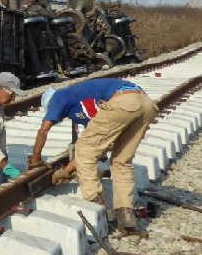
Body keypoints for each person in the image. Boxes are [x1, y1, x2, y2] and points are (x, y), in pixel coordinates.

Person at [28, 78, 157, 232]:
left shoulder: (59, 97)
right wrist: (67, 170)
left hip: (123, 101)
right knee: (121, 161)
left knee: (82, 147)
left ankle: (96, 204)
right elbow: (98, 149)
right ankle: (126, 214)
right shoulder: (82, 103)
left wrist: (35, 159)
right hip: (146, 104)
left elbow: (44, 130)